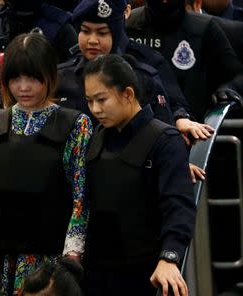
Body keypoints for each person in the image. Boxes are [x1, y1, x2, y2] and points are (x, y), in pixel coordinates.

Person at [0, 32, 93, 295]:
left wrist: (72, 255)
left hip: (50, 261)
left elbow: (81, 197)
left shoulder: (75, 125)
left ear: (49, 76)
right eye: (15, 79)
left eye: (32, 78)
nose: (23, 87)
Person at [83, 54, 196, 296]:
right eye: (90, 101)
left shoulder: (165, 141)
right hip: (98, 273)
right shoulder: (96, 138)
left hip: (146, 274)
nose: (95, 109)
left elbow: (179, 206)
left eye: (102, 99)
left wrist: (169, 258)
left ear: (128, 94)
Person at [61, 0, 214, 147]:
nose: (92, 40)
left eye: (102, 33)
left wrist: (180, 118)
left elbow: (172, 103)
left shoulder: (145, 65)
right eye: (85, 31)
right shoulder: (63, 74)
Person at [126, 0, 243, 121]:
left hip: (191, 129)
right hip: (135, 127)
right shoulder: (128, 24)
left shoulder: (203, 28)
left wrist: (230, 87)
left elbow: (236, 74)